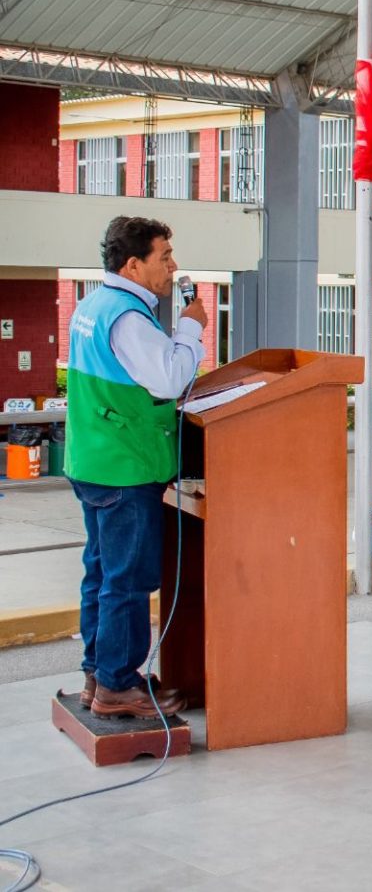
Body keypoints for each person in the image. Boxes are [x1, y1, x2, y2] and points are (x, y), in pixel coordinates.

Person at [66, 217, 204, 718]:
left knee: (101, 571)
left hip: (95, 459)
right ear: (133, 264)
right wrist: (192, 328)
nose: (173, 266)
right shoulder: (126, 317)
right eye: (164, 256)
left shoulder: (92, 305)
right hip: (124, 468)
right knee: (127, 578)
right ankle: (118, 686)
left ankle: (97, 673)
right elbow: (169, 378)